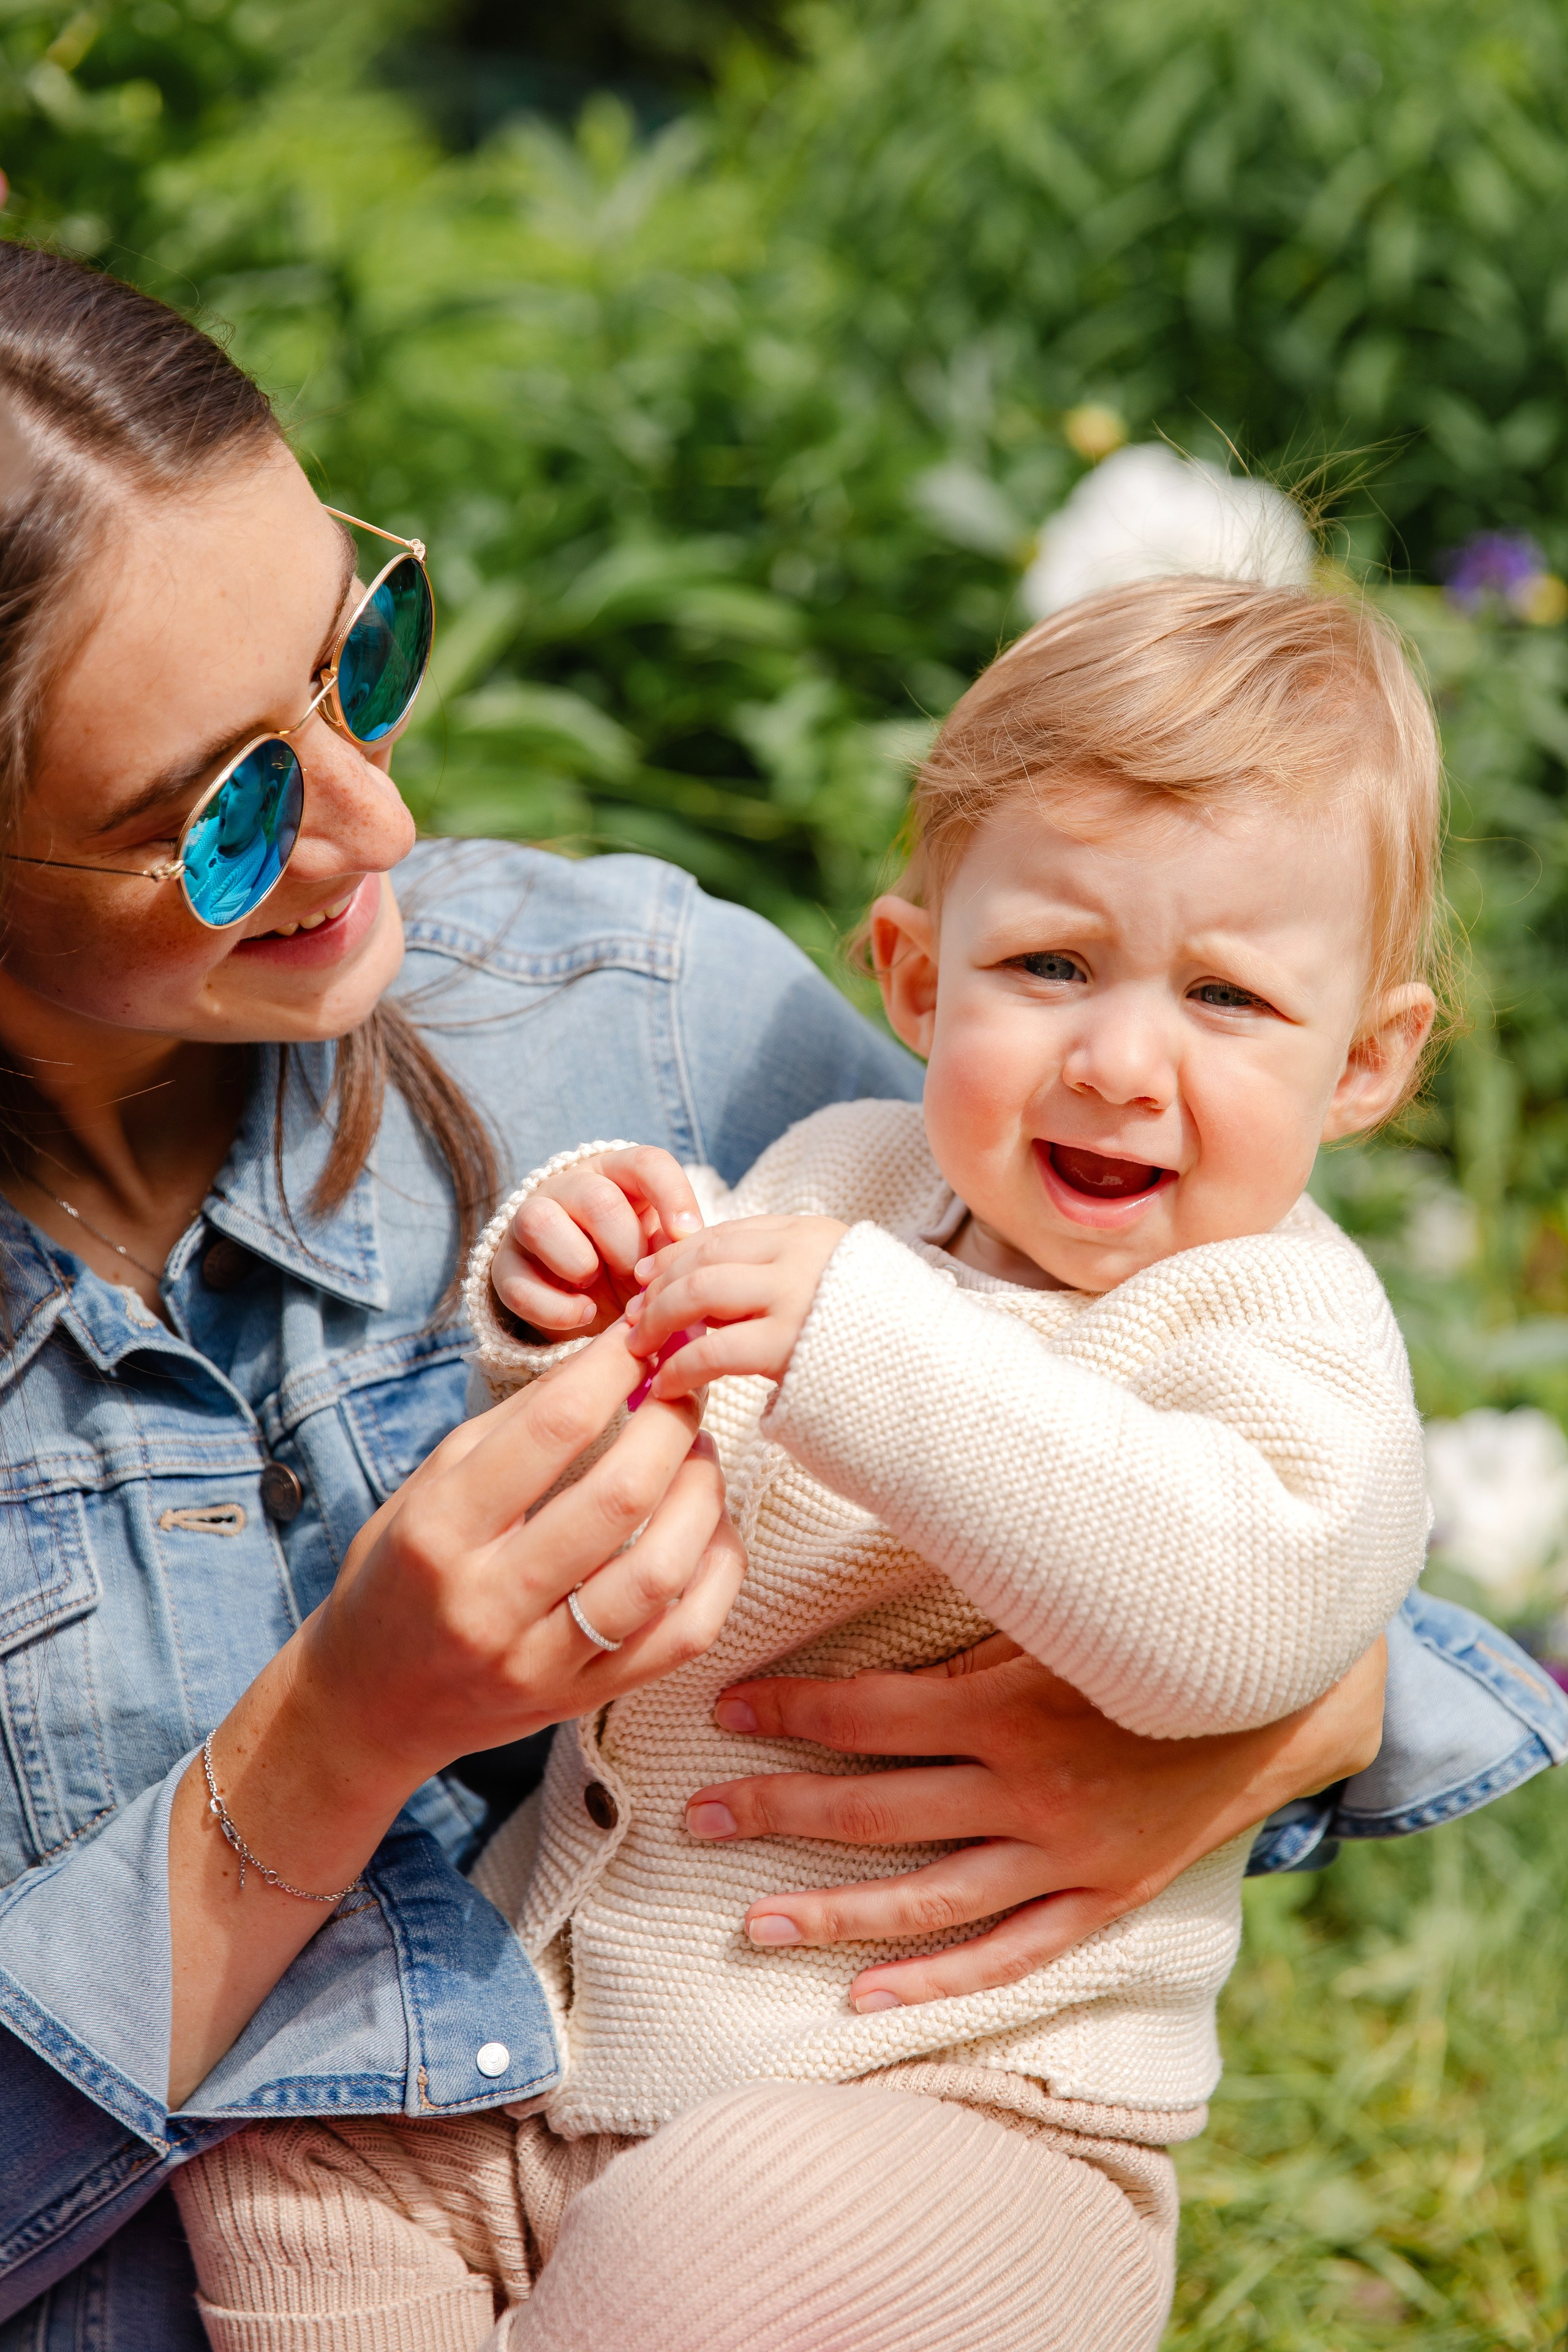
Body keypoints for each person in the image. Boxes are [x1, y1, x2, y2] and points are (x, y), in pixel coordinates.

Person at [0, 246, 1560, 2352]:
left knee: (744, 2251)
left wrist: (1290, 1720)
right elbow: (725, 1375)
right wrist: (558, 1306)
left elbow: (1269, 1558)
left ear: (1367, 1061)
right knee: (293, 2150)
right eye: (224, 809)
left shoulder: (661, 1023)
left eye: (356, 661)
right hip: (530, 2053)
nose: (382, 817)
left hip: (912, 2103)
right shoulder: (858, 1180)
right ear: (924, 975)